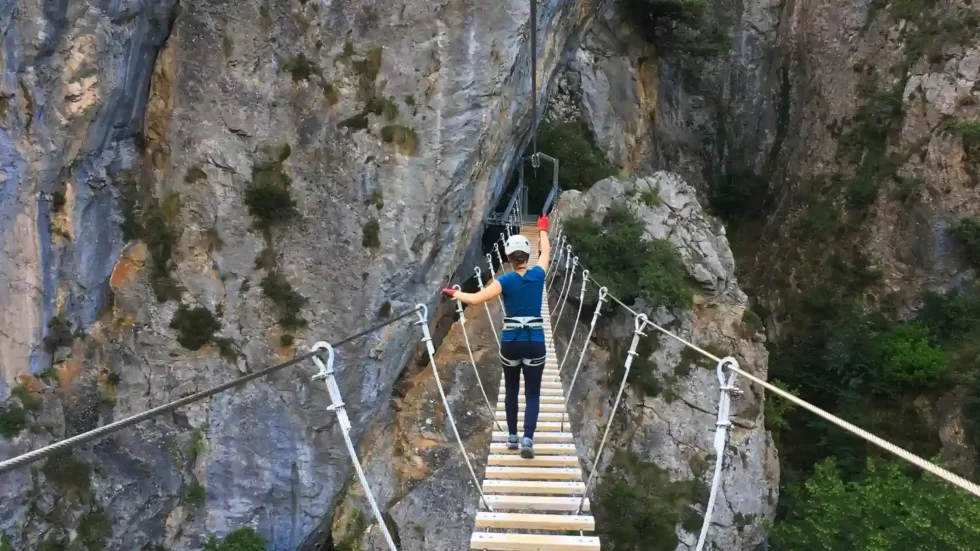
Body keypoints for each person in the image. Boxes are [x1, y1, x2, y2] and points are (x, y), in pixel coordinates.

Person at [442, 215, 551, 458]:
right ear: (526, 255)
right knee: (532, 393)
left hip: (511, 343)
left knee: (511, 389)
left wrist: (455, 294)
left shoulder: (504, 281)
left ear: (509, 259)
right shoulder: (538, 275)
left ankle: (511, 436)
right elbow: (546, 252)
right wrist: (542, 228)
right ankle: (527, 441)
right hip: (535, 342)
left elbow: (475, 298)